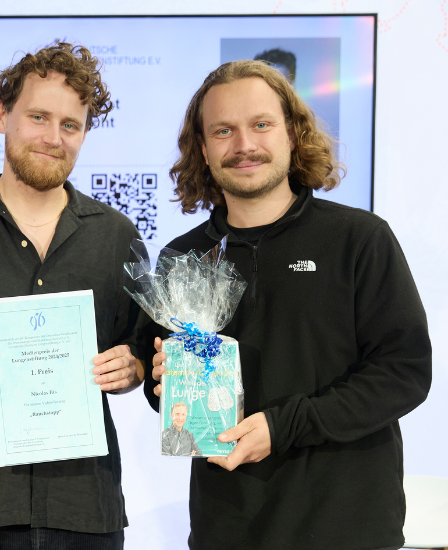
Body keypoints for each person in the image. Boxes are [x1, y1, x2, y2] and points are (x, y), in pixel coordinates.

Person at [143, 59, 431, 550]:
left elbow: (404, 373)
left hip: (349, 530)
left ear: (293, 134)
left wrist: (282, 428)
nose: (244, 145)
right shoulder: (182, 258)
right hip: (227, 531)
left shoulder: (358, 239)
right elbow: (168, 400)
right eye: (223, 130)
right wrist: (165, 382)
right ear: (203, 149)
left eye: (261, 125)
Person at [0, 42, 141, 550]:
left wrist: (135, 367)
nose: (53, 138)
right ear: (2, 116)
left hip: (86, 510)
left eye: (70, 125)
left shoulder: (117, 237)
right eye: (38, 117)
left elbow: (147, 348)